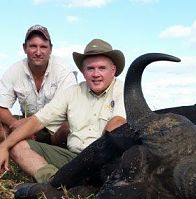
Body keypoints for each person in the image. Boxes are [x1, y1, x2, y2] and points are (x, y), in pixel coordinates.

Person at [0, 38, 127, 183]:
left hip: (105, 160)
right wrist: (4, 146)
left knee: (116, 129)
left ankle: (88, 182)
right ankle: (54, 183)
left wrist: (95, 161)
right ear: (83, 71)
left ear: (113, 70)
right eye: (90, 68)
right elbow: (38, 120)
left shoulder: (123, 91)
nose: (96, 74)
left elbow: (117, 123)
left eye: (102, 68)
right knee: (18, 146)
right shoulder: (72, 92)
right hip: (73, 158)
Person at [0, 25, 77, 146]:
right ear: (24, 48)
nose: (38, 52)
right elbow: (1, 106)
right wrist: (15, 124)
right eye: (33, 46)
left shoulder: (64, 70)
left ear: (50, 49)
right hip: (27, 126)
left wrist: (29, 125)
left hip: (54, 129)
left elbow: (65, 109)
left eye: (43, 47)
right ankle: (6, 152)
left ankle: (60, 153)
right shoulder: (14, 70)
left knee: (69, 126)